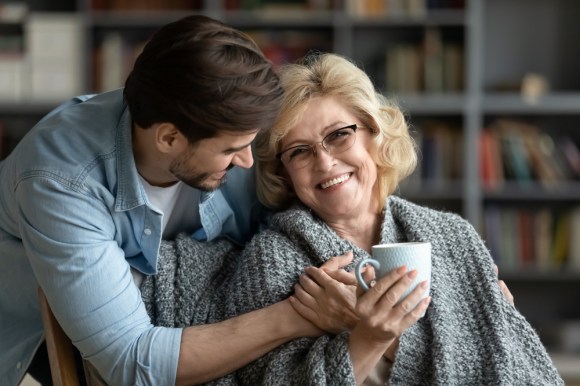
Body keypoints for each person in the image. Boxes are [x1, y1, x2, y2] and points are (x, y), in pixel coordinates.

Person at [142, 52, 563, 385]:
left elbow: (519, 368)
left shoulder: (451, 237)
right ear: (284, 172)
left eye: (339, 135)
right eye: (300, 151)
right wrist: (368, 340)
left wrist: (406, 334)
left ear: (374, 133)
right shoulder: (274, 260)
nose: (325, 163)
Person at [0, 15, 353, 386]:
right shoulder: (61, 181)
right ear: (169, 139)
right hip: (58, 345)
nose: (249, 161)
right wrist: (300, 314)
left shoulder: (224, 124)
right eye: (232, 149)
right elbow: (132, 363)